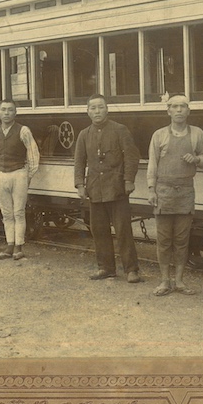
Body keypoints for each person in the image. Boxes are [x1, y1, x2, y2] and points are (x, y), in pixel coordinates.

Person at [146, 94, 203, 296]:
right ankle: (165, 281)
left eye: (183, 107)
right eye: (174, 107)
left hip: (185, 192)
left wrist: (197, 159)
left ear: (188, 111)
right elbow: (152, 164)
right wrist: (151, 190)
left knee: (182, 240)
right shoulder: (159, 135)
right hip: (163, 191)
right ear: (168, 111)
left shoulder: (197, 134)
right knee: (164, 240)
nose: (179, 110)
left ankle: (180, 281)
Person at [73, 94, 142, 282]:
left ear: (107, 109)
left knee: (123, 230)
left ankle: (131, 270)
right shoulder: (84, 135)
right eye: (93, 108)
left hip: (117, 188)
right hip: (95, 190)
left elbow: (131, 156)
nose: (97, 111)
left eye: (100, 107)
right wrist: (80, 184)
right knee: (99, 230)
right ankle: (106, 268)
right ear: (88, 112)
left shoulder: (120, 130)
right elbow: (79, 161)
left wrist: (129, 180)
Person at [0, 100, 40, 260]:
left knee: (19, 212)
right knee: (6, 213)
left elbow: (33, 153)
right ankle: (9, 246)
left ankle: (18, 247)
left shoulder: (23, 130)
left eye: (10, 110)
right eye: (3, 110)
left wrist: (28, 175)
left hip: (19, 173)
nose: (6, 113)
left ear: (15, 113)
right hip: (2, 175)